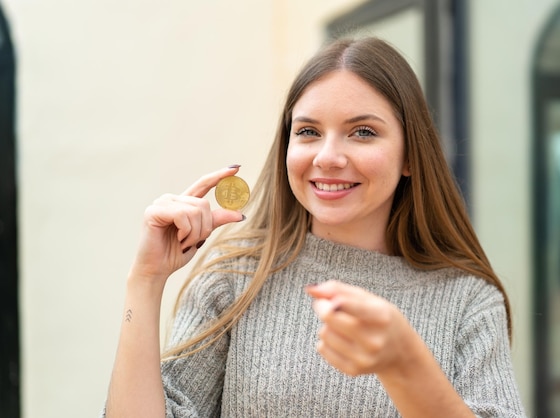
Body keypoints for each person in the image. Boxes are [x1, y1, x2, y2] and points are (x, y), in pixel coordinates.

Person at [103, 37, 526, 417]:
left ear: (411, 156)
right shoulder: (235, 278)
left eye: (362, 132)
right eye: (307, 131)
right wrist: (145, 280)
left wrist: (405, 366)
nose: (327, 157)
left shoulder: (469, 301)